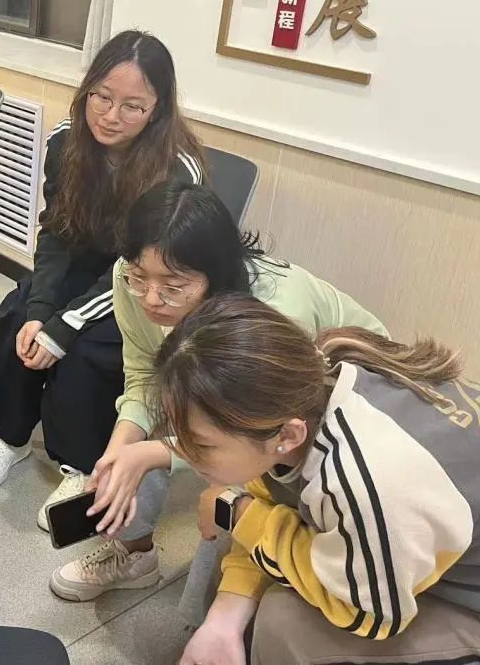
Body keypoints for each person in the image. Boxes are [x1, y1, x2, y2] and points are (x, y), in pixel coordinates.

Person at [50, 181, 388, 601]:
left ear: (216, 275)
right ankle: (133, 554)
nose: (151, 298)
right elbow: (144, 376)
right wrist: (119, 453)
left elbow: (259, 429)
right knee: (137, 445)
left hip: (336, 399)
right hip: (249, 407)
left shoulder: (272, 313)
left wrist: (155, 453)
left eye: (174, 286)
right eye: (139, 277)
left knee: (238, 500)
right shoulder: (132, 278)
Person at [160, 294, 480, 665]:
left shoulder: (367, 479)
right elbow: (265, 497)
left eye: (201, 443)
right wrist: (224, 621)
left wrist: (237, 513)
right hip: (425, 551)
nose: (184, 451)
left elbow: (369, 614)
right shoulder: (315, 379)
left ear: (287, 436)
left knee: (285, 626)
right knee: (233, 523)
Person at [0, 31, 205, 529]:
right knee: (17, 315)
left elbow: (138, 267)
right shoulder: (65, 140)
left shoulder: (177, 170)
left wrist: (65, 326)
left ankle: (79, 463)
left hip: (143, 284)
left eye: (132, 106)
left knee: (88, 350)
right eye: (102, 96)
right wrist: (42, 312)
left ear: (158, 109)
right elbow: (55, 231)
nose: (111, 115)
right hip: (82, 265)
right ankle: (9, 434)